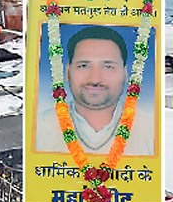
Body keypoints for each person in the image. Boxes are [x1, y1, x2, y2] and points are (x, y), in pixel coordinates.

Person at [36, 26, 153, 155]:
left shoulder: (152, 131)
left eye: (108, 66)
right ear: (67, 72)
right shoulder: (37, 128)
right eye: (83, 66)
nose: (95, 79)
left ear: (125, 73)